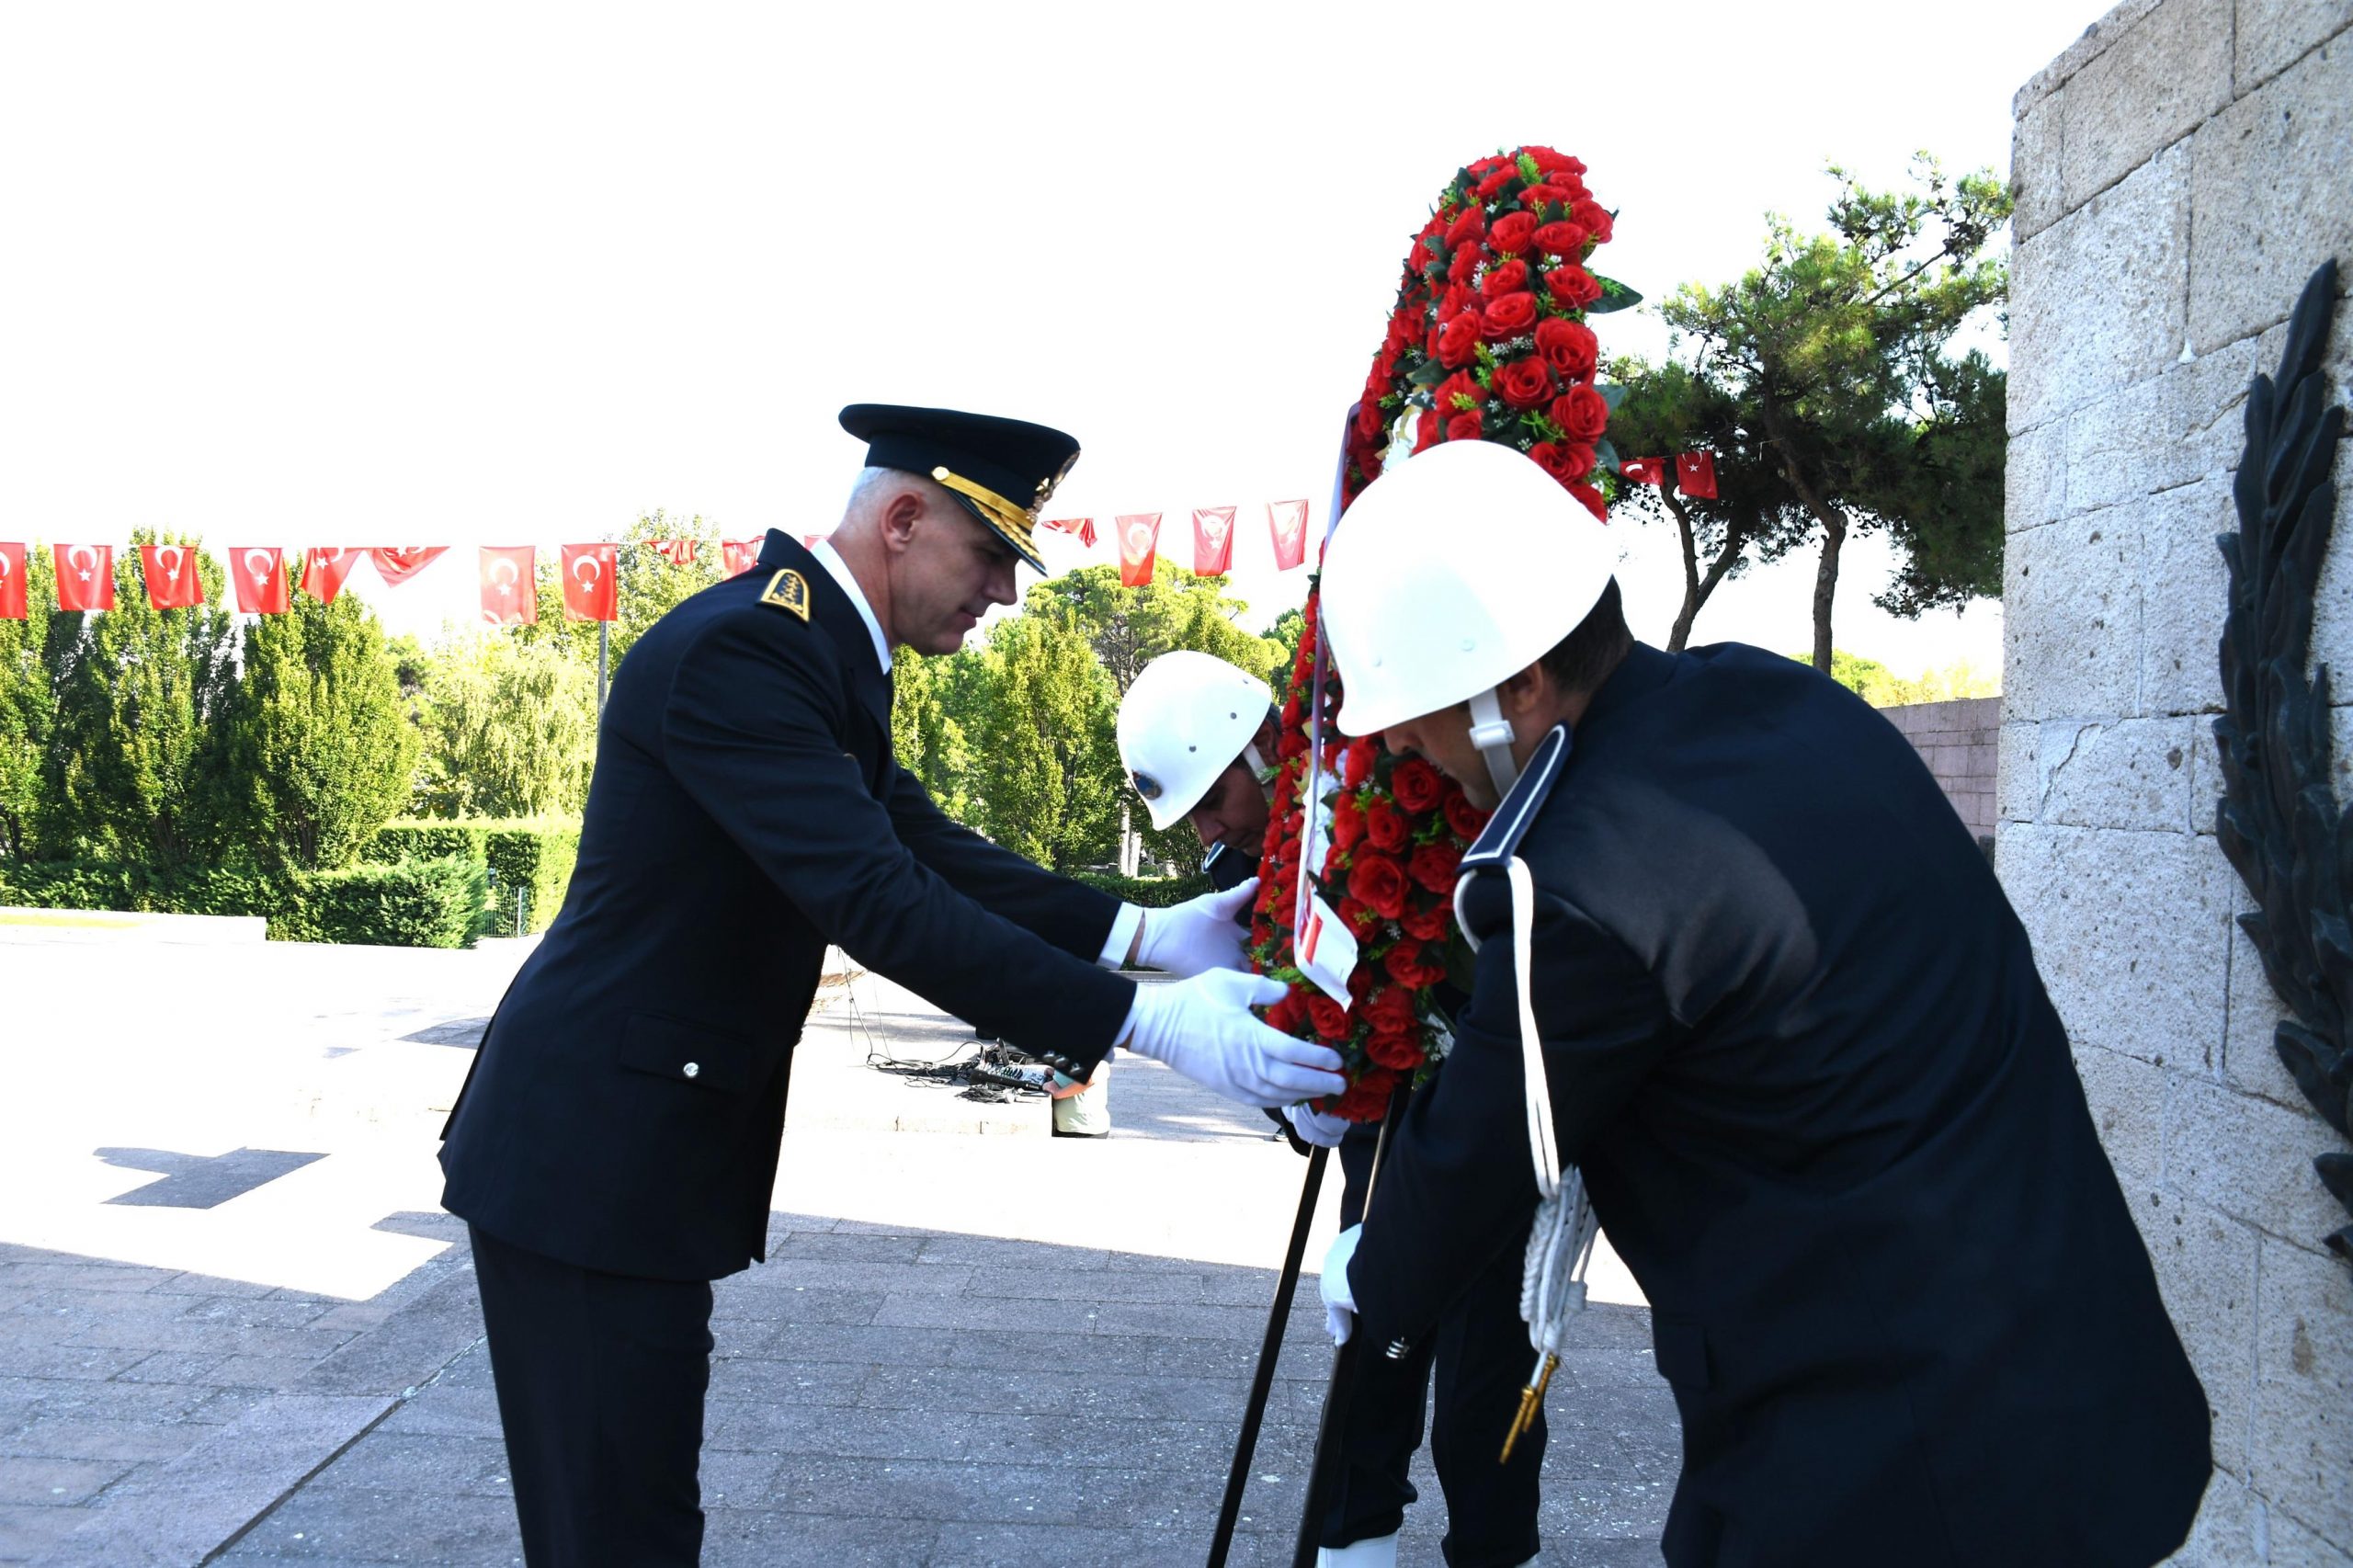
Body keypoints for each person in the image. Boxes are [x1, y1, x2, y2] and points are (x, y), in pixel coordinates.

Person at [438, 404, 1347, 1567]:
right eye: (993, 557)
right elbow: (878, 901)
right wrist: (1147, 1020)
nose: (1006, 595)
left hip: (631, 1150)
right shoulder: (748, 653)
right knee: (616, 1529)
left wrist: (1146, 932)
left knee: (632, 1515)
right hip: (588, 1157)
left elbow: (930, 850)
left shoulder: (814, 652)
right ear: (905, 519)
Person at [1312, 439, 2212, 1568]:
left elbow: (1471, 1172)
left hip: (1898, 1474)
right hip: (2087, 1388)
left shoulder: (1583, 882)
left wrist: (1372, 1266)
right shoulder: (1777, 697)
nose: (1396, 739)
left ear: (1518, 685)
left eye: (1413, 706)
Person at [1117, 650, 1547, 1568]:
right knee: (1374, 1374)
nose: (1203, 834)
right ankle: (1354, 1544)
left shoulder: (1394, 789)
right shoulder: (1256, 865)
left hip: (1487, 1139)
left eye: (1207, 802)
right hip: (1377, 1151)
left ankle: (1497, 1549)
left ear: (1259, 750)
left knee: (1482, 1402)